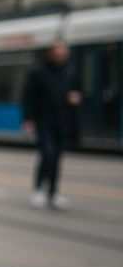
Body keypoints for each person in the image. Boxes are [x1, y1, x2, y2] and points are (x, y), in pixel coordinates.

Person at [21, 40, 81, 210]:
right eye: (56, 54)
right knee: (47, 154)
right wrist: (28, 120)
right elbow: (28, 97)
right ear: (50, 54)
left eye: (62, 54)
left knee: (57, 158)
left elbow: (77, 91)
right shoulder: (38, 71)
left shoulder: (71, 71)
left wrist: (75, 98)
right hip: (43, 120)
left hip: (62, 121)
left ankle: (53, 193)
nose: (59, 57)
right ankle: (38, 189)